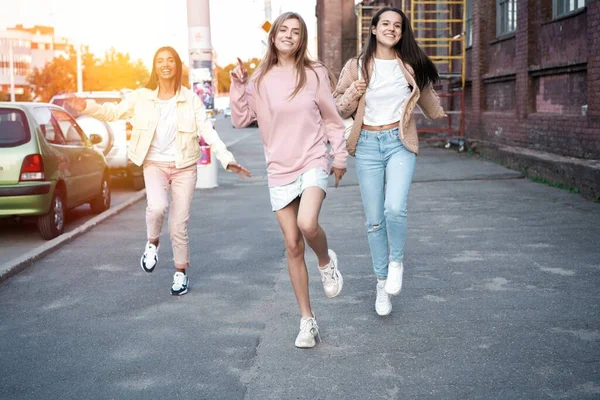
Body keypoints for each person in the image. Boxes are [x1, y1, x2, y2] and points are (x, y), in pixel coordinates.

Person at [66, 46, 251, 296]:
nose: (165, 65)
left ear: (176, 66)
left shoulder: (190, 99)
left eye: (170, 61)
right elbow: (113, 112)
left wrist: (226, 159)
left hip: (184, 167)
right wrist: (86, 106)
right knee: (157, 207)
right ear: (155, 67)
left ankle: (180, 273)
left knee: (178, 224)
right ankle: (152, 242)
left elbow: (207, 131)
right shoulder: (141, 97)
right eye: (160, 61)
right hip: (154, 164)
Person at [230, 12, 348, 348]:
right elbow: (240, 119)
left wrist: (338, 156)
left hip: (312, 158)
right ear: (273, 36)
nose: (288, 35)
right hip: (279, 167)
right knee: (293, 245)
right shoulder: (259, 79)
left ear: (301, 40)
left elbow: (332, 119)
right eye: (283, 29)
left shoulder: (314, 74)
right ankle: (307, 321)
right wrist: (238, 84)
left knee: (308, 224)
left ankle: (326, 262)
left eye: (296, 32)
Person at [334, 7, 446, 316]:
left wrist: (438, 112)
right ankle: (381, 283)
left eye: (397, 25)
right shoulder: (356, 67)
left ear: (402, 31)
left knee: (394, 207)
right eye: (385, 23)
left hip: (399, 143)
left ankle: (396, 262)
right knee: (374, 220)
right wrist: (353, 95)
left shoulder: (409, 65)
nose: (392, 29)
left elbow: (426, 95)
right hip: (367, 144)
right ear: (372, 29)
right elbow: (337, 108)